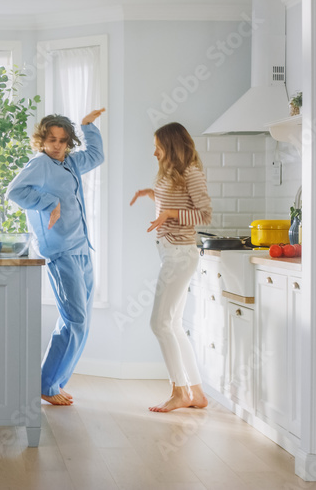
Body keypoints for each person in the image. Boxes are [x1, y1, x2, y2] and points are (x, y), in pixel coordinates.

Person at [7, 109, 105, 406]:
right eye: (52, 139)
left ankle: (55, 382)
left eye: (63, 140)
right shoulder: (39, 164)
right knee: (74, 319)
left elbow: (97, 156)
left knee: (82, 321)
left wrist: (88, 126)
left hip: (82, 248)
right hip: (61, 250)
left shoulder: (70, 163)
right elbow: (15, 191)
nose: (58, 145)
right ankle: (46, 384)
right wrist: (49, 201)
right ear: (42, 140)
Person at [129, 122, 211, 413]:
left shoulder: (192, 173)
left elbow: (204, 215)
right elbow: (174, 202)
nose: (154, 153)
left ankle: (179, 391)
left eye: (158, 147)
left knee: (159, 323)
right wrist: (152, 194)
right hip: (170, 253)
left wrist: (169, 213)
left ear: (172, 147)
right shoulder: (172, 174)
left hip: (180, 255)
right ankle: (197, 392)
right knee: (172, 325)